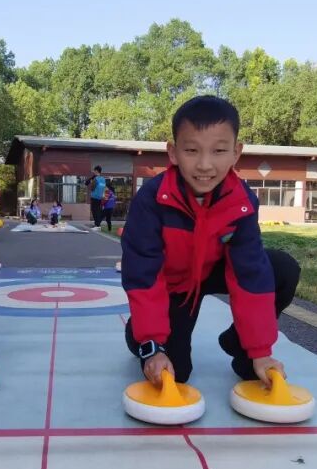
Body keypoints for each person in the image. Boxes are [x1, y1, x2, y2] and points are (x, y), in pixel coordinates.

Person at [120, 95, 301, 388]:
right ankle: (139, 333)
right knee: (176, 373)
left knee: (281, 268)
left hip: (214, 272)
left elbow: (250, 274)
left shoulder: (241, 202)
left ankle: (243, 348)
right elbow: (143, 275)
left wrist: (261, 351)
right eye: (192, 150)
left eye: (219, 151)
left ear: (236, 153)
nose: (205, 165)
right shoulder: (151, 201)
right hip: (174, 287)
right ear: (173, 152)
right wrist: (152, 343)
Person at [86, 165, 107, 229]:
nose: (93, 172)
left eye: (94, 171)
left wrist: (91, 182)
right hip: (100, 197)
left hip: (94, 196)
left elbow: (92, 188)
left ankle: (97, 224)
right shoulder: (103, 179)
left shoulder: (96, 179)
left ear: (96, 171)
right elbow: (103, 188)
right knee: (98, 210)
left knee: (94, 210)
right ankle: (97, 224)